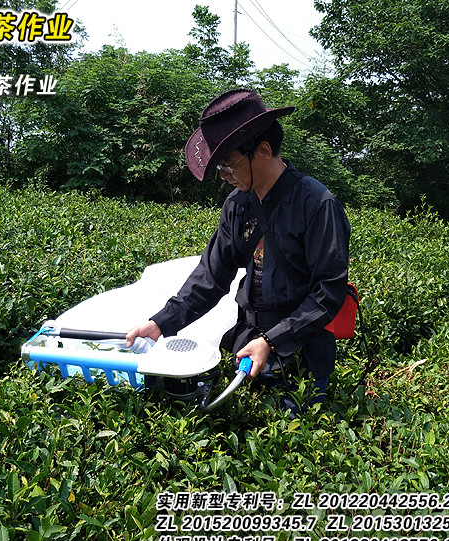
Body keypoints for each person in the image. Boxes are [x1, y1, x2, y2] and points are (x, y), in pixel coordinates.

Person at [125, 88, 351, 414]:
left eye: (229, 165)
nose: (223, 176)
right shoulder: (237, 204)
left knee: (284, 430)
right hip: (246, 341)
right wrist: (161, 322)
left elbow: (328, 293)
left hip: (300, 349)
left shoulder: (316, 204)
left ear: (263, 151)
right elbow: (211, 276)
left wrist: (272, 341)